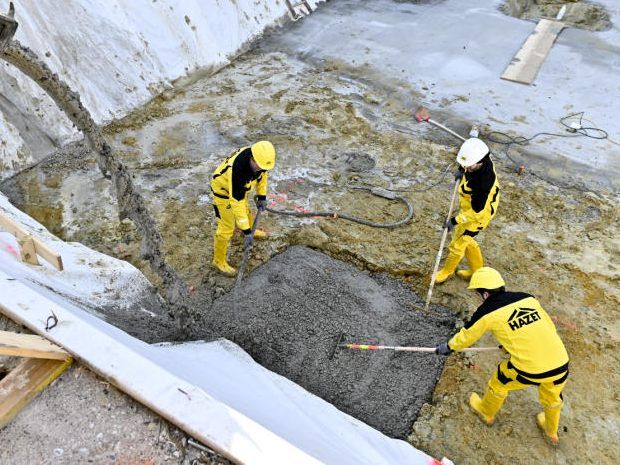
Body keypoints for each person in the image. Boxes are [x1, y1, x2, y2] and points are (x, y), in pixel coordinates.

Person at [435, 267, 569, 444]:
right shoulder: (527, 298)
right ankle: (551, 430)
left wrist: (449, 346)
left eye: (477, 293)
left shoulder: (487, 312)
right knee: (553, 397)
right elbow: (545, 327)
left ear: (485, 294)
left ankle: (486, 411)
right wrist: (509, 346)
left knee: (499, 381)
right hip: (560, 362)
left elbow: (467, 335)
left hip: (530, 369)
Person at [435, 138, 500, 284]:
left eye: (468, 165)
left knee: (457, 245)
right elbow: (466, 161)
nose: (466, 167)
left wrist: (454, 221)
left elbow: (476, 212)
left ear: (480, 162)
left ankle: (447, 271)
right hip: (471, 208)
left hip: (477, 217)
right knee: (468, 241)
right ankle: (476, 272)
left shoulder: (482, 185)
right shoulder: (477, 161)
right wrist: (461, 170)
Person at [210, 141, 275, 275]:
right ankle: (218, 261)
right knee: (226, 227)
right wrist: (245, 231)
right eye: (258, 166)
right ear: (252, 158)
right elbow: (237, 202)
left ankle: (251, 230)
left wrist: (262, 195)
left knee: (247, 211)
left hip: (240, 190)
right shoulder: (238, 171)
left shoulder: (259, 160)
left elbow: (263, 175)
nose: (260, 169)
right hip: (223, 192)